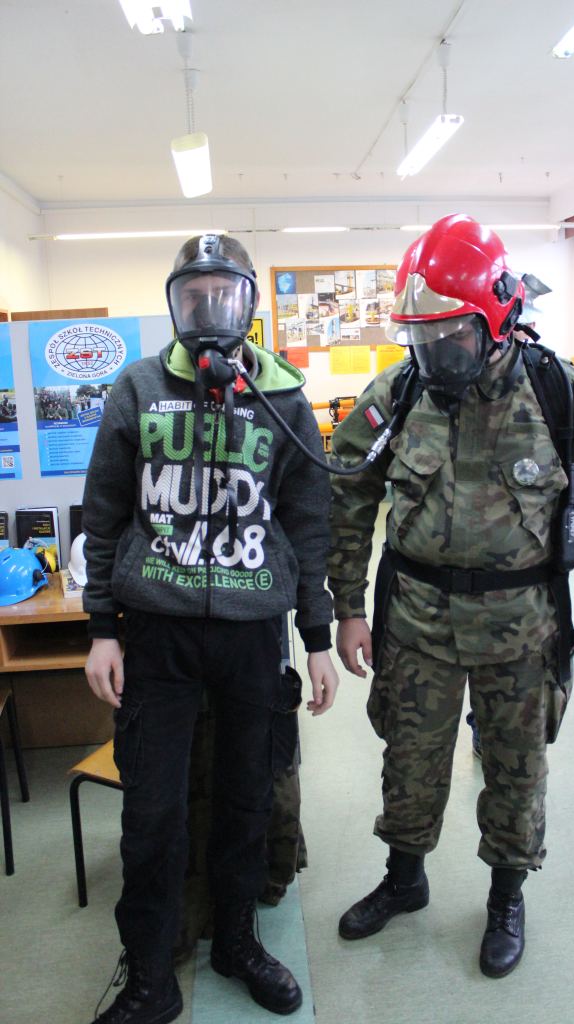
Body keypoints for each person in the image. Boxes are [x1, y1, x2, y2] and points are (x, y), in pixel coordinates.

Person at [327, 215, 574, 979]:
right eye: (421, 338)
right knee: (409, 759)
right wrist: (347, 606)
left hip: (521, 626)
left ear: (496, 318)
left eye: (450, 336)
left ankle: (506, 896)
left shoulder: (555, 391)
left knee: (514, 768)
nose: (434, 353)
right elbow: (345, 495)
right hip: (416, 621)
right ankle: (404, 879)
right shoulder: (400, 392)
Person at [82, 233, 338, 1024]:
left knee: (246, 799)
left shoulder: (283, 398)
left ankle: (235, 940)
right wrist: (101, 625)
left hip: (252, 632)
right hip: (155, 631)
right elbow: (104, 511)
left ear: (248, 303)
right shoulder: (137, 388)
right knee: (151, 812)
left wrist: (318, 636)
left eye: (222, 295)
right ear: (173, 304)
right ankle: (151, 974)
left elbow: (307, 522)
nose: (207, 311)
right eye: (192, 297)